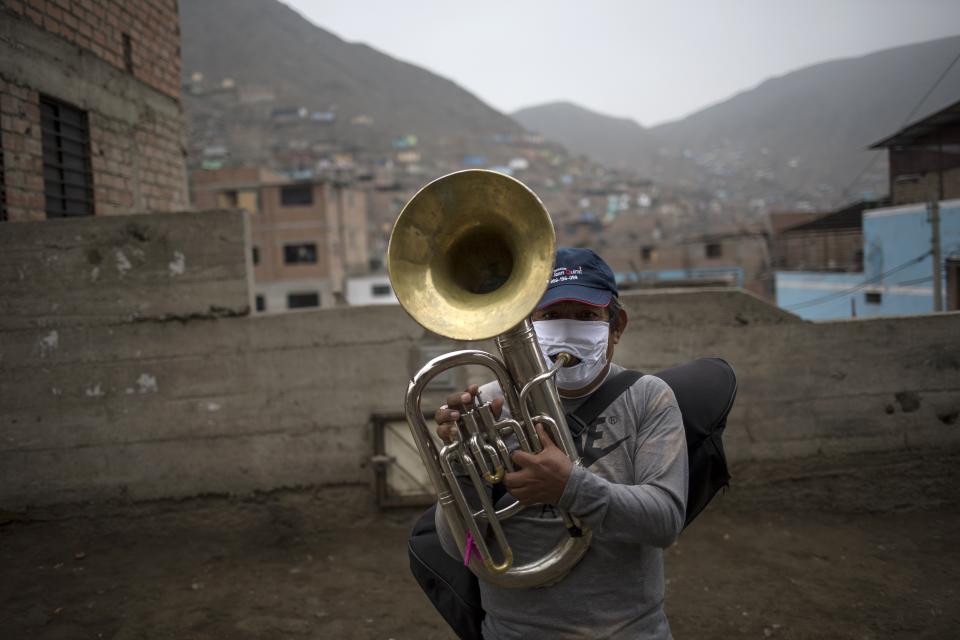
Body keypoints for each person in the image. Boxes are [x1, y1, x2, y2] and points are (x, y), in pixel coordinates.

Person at [433, 247, 688, 640]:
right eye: (550, 316)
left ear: (616, 326)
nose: (567, 328)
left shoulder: (649, 397)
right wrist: (461, 470)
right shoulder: (488, 406)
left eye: (586, 316)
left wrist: (570, 487)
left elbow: (665, 519)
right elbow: (459, 548)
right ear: (528, 324)